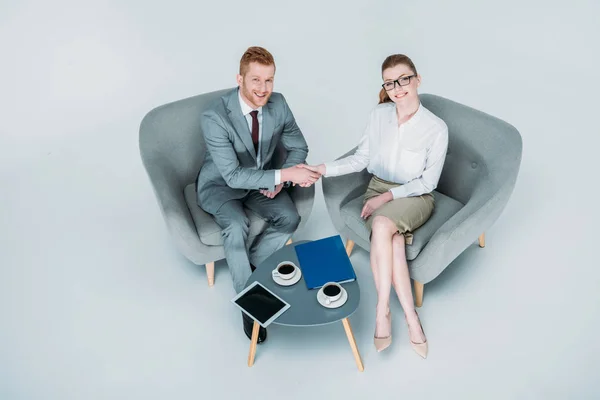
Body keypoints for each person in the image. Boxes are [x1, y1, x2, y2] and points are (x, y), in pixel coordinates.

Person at [302, 54, 448, 358]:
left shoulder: (436, 128)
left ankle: (382, 310)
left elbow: (428, 183)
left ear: (417, 79)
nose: (398, 87)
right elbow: (361, 159)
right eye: (390, 82)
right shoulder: (379, 115)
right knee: (393, 242)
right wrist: (322, 169)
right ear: (385, 86)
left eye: (404, 79)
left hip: (416, 196)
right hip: (378, 186)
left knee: (382, 224)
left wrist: (385, 198)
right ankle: (411, 318)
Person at [196, 46, 321, 343]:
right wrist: (286, 175)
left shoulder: (279, 104)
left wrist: (280, 180)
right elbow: (233, 176)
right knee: (236, 225)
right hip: (221, 185)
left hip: (260, 181)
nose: (263, 89)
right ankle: (249, 303)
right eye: (256, 80)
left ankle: (253, 261)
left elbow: (299, 147)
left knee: (290, 217)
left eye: (269, 80)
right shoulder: (214, 116)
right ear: (239, 79)